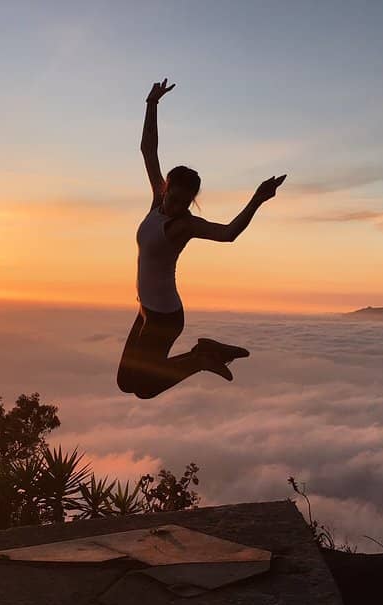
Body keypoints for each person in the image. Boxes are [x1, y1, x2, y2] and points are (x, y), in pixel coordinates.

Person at [116, 78, 287, 399]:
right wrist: (152, 103)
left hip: (166, 317)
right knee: (126, 381)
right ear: (166, 189)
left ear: (191, 200)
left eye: (185, 202)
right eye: (173, 198)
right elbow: (148, 150)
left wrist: (257, 199)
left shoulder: (184, 225)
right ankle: (204, 351)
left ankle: (201, 359)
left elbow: (228, 234)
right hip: (145, 310)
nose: (177, 206)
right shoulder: (157, 201)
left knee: (144, 389)